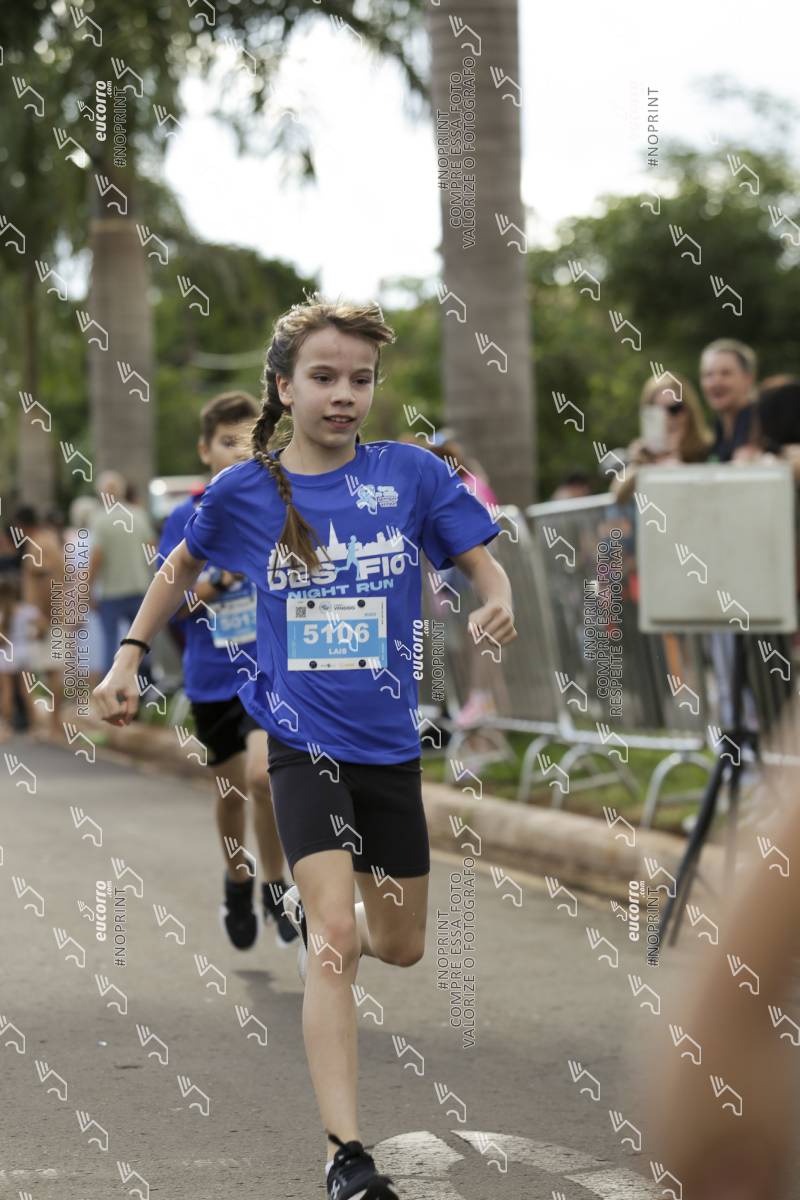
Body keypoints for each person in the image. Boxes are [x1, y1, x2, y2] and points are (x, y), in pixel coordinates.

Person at [91, 294, 517, 1200]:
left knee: (398, 944)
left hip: (388, 749)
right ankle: (345, 1155)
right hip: (300, 743)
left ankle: (331, 926)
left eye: (360, 379)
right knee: (333, 940)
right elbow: (178, 567)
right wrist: (127, 655)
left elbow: (481, 559)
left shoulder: (409, 475)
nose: (344, 394)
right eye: (323, 377)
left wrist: (498, 594)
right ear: (284, 387)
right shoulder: (245, 491)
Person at [157, 390, 298, 950]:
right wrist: (216, 582)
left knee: (263, 779)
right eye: (225, 442)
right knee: (231, 791)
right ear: (204, 450)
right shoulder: (184, 517)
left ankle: (275, 884)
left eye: (248, 441)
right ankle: (238, 879)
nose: (238, 452)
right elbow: (171, 601)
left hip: (268, 671)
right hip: (212, 674)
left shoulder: (278, 506)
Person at [88, 470, 157, 682]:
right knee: (141, 639)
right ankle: (145, 684)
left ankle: (112, 686)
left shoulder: (99, 519)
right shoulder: (138, 514)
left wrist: (88, 589)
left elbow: (96, 558)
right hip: (139, 587)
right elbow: (152, 549)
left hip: (111, 591)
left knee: (110, 642)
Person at [611, 372, 712, 505]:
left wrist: (679, 470)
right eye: (657, 411)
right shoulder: (646, 456)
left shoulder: (710, 450)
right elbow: (618, 497)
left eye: (674, 409)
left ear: (689, 411)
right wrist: (639, 466)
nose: (667, 418)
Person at [12, 504, 65, 739]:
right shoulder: (49, 540)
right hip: (53, 614)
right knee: (51, 671)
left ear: (21, 526)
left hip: (44, 617)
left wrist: (42, 617)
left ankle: (44, 724)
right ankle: (52, 724)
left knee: (31, 670)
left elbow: (44, 580)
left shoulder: (38, 544)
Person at [699, 338, 757, 463]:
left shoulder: (764, 426)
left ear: (748, 379)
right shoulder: (715, 432)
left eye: (725, 373)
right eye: (708, 374)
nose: (715, 382)